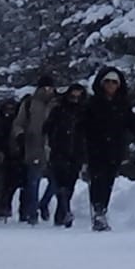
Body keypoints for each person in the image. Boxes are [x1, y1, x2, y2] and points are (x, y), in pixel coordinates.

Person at [83, 66, 135, 231]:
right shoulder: (92, 103)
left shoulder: (123, 104)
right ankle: (98, 210)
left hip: (115, 148)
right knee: (97, 179)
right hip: (95, 148)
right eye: (107, 82)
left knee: (108, 180)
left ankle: (103, 209)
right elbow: (81, 125)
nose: (110, 85)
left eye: (114, 82)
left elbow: (132, 121)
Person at [10, 74, 59, 225]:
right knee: (33, 182)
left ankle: (43, 203)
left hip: (56, 148)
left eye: (50, 87)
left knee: (56, 182)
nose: (47, 90)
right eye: (44, 87)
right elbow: (18, 123)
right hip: (34, 146)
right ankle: (32, 213)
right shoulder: (30, 103)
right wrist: (20, 136)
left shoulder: (58, 103)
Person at [42, 84, 88, 228]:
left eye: (78, 96)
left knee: (70, 184)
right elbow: (47, 128)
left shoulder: (84, 112)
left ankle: (61, 213)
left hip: (76, 153)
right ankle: (65, 212)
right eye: (73, 96)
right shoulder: (59, 110)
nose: (75, 99)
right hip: (59, 151)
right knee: (61, 184)